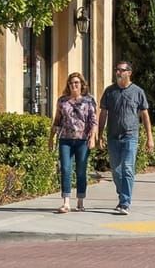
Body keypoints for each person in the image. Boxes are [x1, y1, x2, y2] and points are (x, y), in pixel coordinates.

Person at [98, 60, 153, 215]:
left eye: (121, 70)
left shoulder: (138, 92)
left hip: (130, 136)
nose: (118, 73)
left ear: (129, 73)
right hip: (113, 136)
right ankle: (122, 195)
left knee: (128, 169)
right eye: (117, 70)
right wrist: (100, 135)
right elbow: (103, 114)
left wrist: (150, 137)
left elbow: (145, 115)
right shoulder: (110, 91)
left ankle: (125, 202)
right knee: (116, 171)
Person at [49, 72, 97, 214]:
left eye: (76, 83)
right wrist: (51, 137)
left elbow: (93, 121)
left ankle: (80, 201)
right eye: (71, 83)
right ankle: (66, 202)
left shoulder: (89, 101)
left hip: (82, 140)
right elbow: (57, 120)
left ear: (82, 84)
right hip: (65, 139)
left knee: (81, 171)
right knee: (65, 168)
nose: (74, 85)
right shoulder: (62, 101)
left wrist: (93, 137)